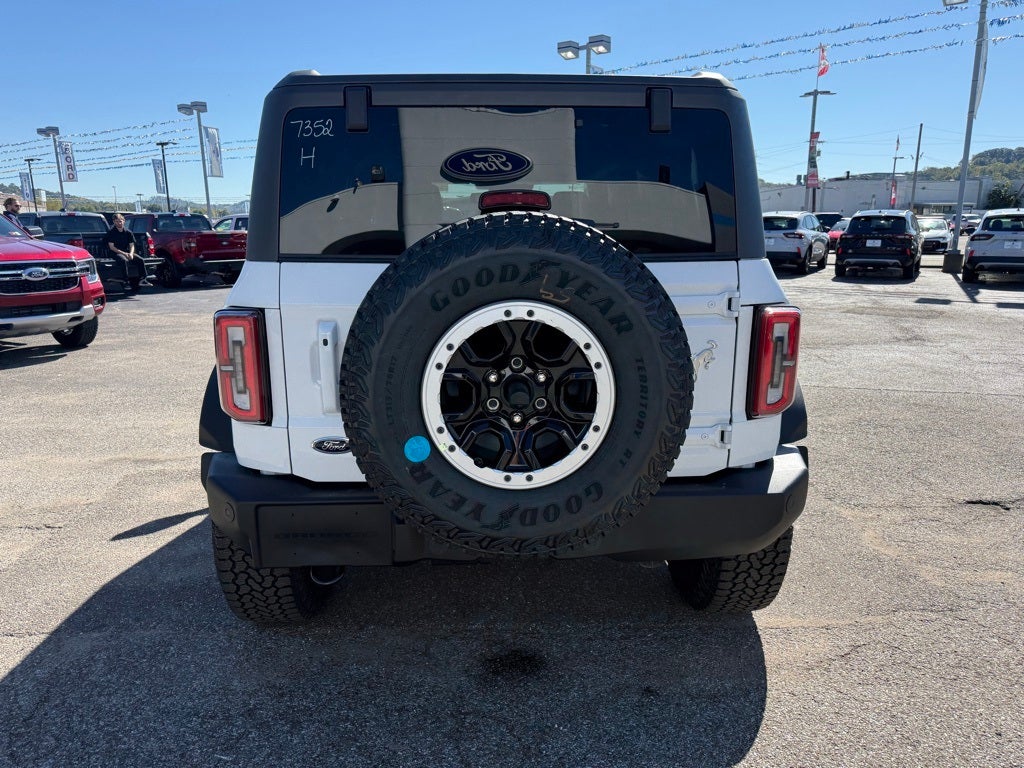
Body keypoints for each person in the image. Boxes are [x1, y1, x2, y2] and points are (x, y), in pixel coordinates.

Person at [102, 214, 151, 291]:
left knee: (140, 260)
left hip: (127, 252)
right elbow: (112, 247)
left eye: (121, 221)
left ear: (124, 221)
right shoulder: (111, 233)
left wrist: (131, 253)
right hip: (115, 252)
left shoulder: (128, 232)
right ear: (114, 222)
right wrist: (124, 254)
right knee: (123, 260)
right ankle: (126, 281)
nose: (119, 223)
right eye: (117, 221)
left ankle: (143, 279)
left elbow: (132, 245)